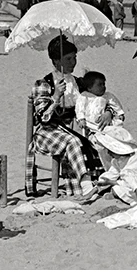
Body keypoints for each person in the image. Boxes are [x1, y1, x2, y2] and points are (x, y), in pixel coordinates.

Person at [31, 35, 101, 196]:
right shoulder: (44, 84)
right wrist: (55, 97)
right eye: (68, 59)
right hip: (48, 131)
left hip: (72, 127)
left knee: (100, 137)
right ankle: (85, 184)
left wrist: (108, 113)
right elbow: (42, 118)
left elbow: (96, 101)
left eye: (74, 58)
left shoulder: (77, 82)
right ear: (56, 61)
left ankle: (102, 180)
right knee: (73, 141)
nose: (73, 62)